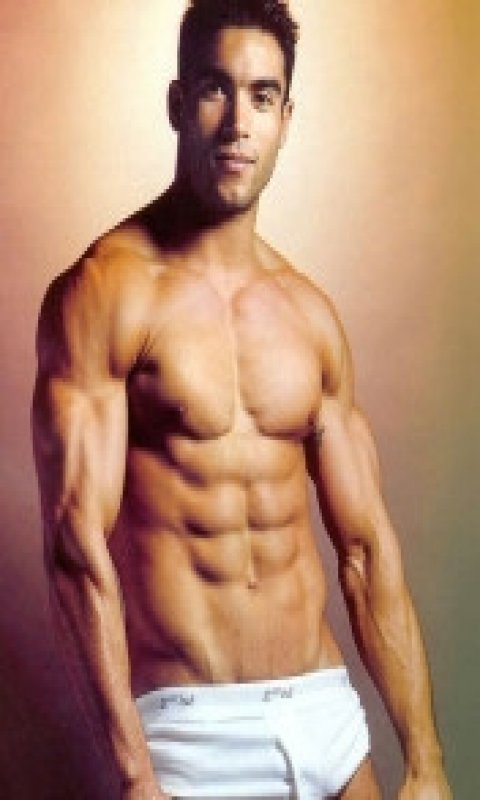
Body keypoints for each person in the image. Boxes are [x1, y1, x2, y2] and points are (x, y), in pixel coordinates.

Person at [32, 1, 452, 798]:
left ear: (286, 119)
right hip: (193, 735)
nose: (237, 124)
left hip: (326, 716)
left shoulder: (309, 315)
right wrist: (134, 776)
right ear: (177, 102)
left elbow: (365, 551)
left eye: (262, 96)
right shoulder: (105, 293)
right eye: (215, 90)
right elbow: (73, 546)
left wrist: (425, 757)